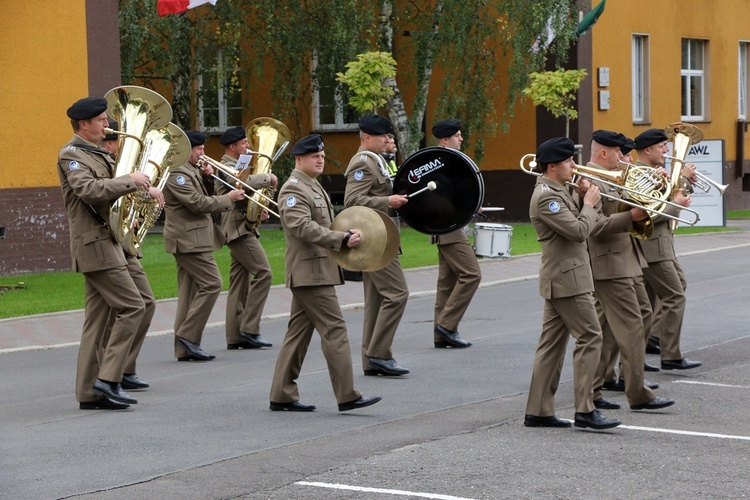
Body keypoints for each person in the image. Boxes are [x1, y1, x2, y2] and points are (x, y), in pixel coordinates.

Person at [269, 134, 382, 412]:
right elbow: (302, 227)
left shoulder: (312, 186)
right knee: (335, 330)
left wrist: (347, 232)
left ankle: (282, 394)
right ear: (298, 159)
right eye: (314, 156)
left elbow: (325, 222)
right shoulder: (294, 189)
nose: (320, 159)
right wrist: (339, 238)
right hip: (310, 272)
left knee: (298, 334)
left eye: (321, 155)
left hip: (317, 270)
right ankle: (347, 395)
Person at [57, 97, 150, 410]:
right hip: (94, 245)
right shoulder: (72, 155)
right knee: (133, 307)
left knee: (97, 322)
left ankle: (89, 393)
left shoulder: (94, 153)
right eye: (101, 120)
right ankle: (108, 380)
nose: (107, 125)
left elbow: (105, 197)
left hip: (106, 240)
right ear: (84, 124)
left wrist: (128, 212)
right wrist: (129, 181)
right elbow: (88, 190)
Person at [523, 136, 620, 430]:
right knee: (591, 337)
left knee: (551, 346)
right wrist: (590, 203)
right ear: (553, 166)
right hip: (569, 280)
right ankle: (585, 409)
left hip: (564, 278)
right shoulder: (546, 197)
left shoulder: (558, 189)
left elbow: (574, 219)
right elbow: (578, 231)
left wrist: (580, 197)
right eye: (568, 161)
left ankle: (539, 410)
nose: (574, 165)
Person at [584, 130, 675, 411]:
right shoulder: (590, 178)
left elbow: (632, 207)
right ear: (603, 153)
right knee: (632, 328)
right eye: (618, 153)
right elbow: (596, 226)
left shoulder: (614, 175)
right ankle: (636, 392)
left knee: (636, 319)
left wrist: (655, 189)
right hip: (610, 262)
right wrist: (631, 215)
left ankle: (596, 387)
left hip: (629, 258)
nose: (624, 157)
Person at [163, 130, 245, 361]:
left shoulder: (191, 170)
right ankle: (188, 337)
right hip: (189, 240)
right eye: (199, 149)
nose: (203, 153)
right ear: (186, 150)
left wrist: (208, 178)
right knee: (212, 283)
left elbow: (203, 195)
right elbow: (197, 204)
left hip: (196, 238)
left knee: (188, 295)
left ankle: (184, 348)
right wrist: (228, 199)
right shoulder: (178, 172)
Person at [344, 115, 410, 377]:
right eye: (382, 136)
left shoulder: (378, 161)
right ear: (367, 137)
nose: (387, 140)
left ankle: (371, 361)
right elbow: (352, 200)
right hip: (375, 241)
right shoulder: (362, 162)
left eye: (388, 135)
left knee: (375, 301)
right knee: (397, 294)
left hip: (380, 237)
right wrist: (387, 201)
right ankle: (379, 353)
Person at [99, 118, 161, 390]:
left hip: (123, 242)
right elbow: (100, 195)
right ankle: (110, 373)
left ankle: (125, 367)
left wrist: (146, 197)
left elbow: (128, 199)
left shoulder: (120, 165)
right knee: (125, 308)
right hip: (107, 242)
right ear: (111, 143)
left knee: (146, 302)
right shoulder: (103, 163)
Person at [633, 129, 702, 371]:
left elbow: (672, 199)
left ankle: (643, 351)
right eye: (662, 146)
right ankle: (670, 354)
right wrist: (675, 204)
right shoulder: (639, 175)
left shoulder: (654, 173)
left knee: (652, 302)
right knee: (674, 296)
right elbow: (648, 215)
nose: (666, 150)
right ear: (647, 150)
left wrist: (683, 183)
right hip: (651, 247)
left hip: (661, 245)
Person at [214, 126, 276, 350]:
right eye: (244, 144)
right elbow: (241, 184)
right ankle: (249, 329)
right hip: (237, 227)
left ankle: (234, 336)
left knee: (239, 283)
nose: (248, 147)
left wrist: (259, 208)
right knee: (264, 273)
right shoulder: (226, 165)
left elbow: (245, 193)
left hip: (241, 224)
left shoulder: (238, 164)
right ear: (233, 147)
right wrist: (267, 177)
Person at [428, 119, 480, 348]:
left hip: (445, 226)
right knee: (471, 274)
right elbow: (441, 198)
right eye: (458, 135)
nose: (461, 139)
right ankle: (446, 325)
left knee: (447, 282)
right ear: (445, 139)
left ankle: (441, 335)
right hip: (448, 227)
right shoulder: (440, 163)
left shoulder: (443, 162)